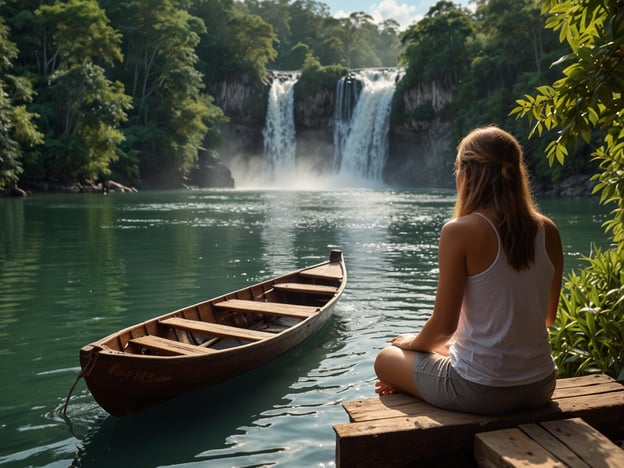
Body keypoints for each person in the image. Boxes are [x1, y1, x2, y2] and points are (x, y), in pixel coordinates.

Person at [374, 125, 564, 415]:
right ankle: (417, 378)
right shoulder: (548, 230)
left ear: (467, 172)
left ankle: (411, 381)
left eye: (457, 167)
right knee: (440, 350)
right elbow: (548, 318)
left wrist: (411, 344)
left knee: (387, 358)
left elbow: (443, 328)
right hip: (540, 385)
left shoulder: (459, 231)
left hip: (479, 392)